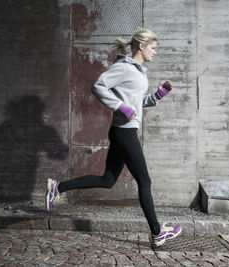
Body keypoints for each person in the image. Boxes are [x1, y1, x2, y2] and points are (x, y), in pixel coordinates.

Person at [46, 27, 182, 247]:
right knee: (145, 181)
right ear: (142, 46)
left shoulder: (139, 70)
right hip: (125, 132)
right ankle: (157, 232)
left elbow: (135, 104)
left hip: (124, 131)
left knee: (107, 180)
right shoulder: (124, 68)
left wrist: (157, 96)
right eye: (153, 48)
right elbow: (98, 86)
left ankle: (57, 188)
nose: (155, 53)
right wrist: (120, 106)